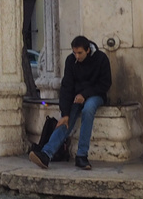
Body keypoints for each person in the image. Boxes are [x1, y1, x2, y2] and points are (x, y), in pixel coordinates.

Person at [29, 35, 111, 171]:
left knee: (88, 109)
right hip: (76, 97)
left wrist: (85, 94)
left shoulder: (101, 59)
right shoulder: (71, 60)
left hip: (95, 95)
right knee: (66, 120)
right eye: (74, 52)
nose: (77, 56)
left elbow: (105, 84)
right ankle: (46, 154)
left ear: (88, 51)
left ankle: (82, 155)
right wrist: (65, 113)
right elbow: (67, 87)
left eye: (80, 53)